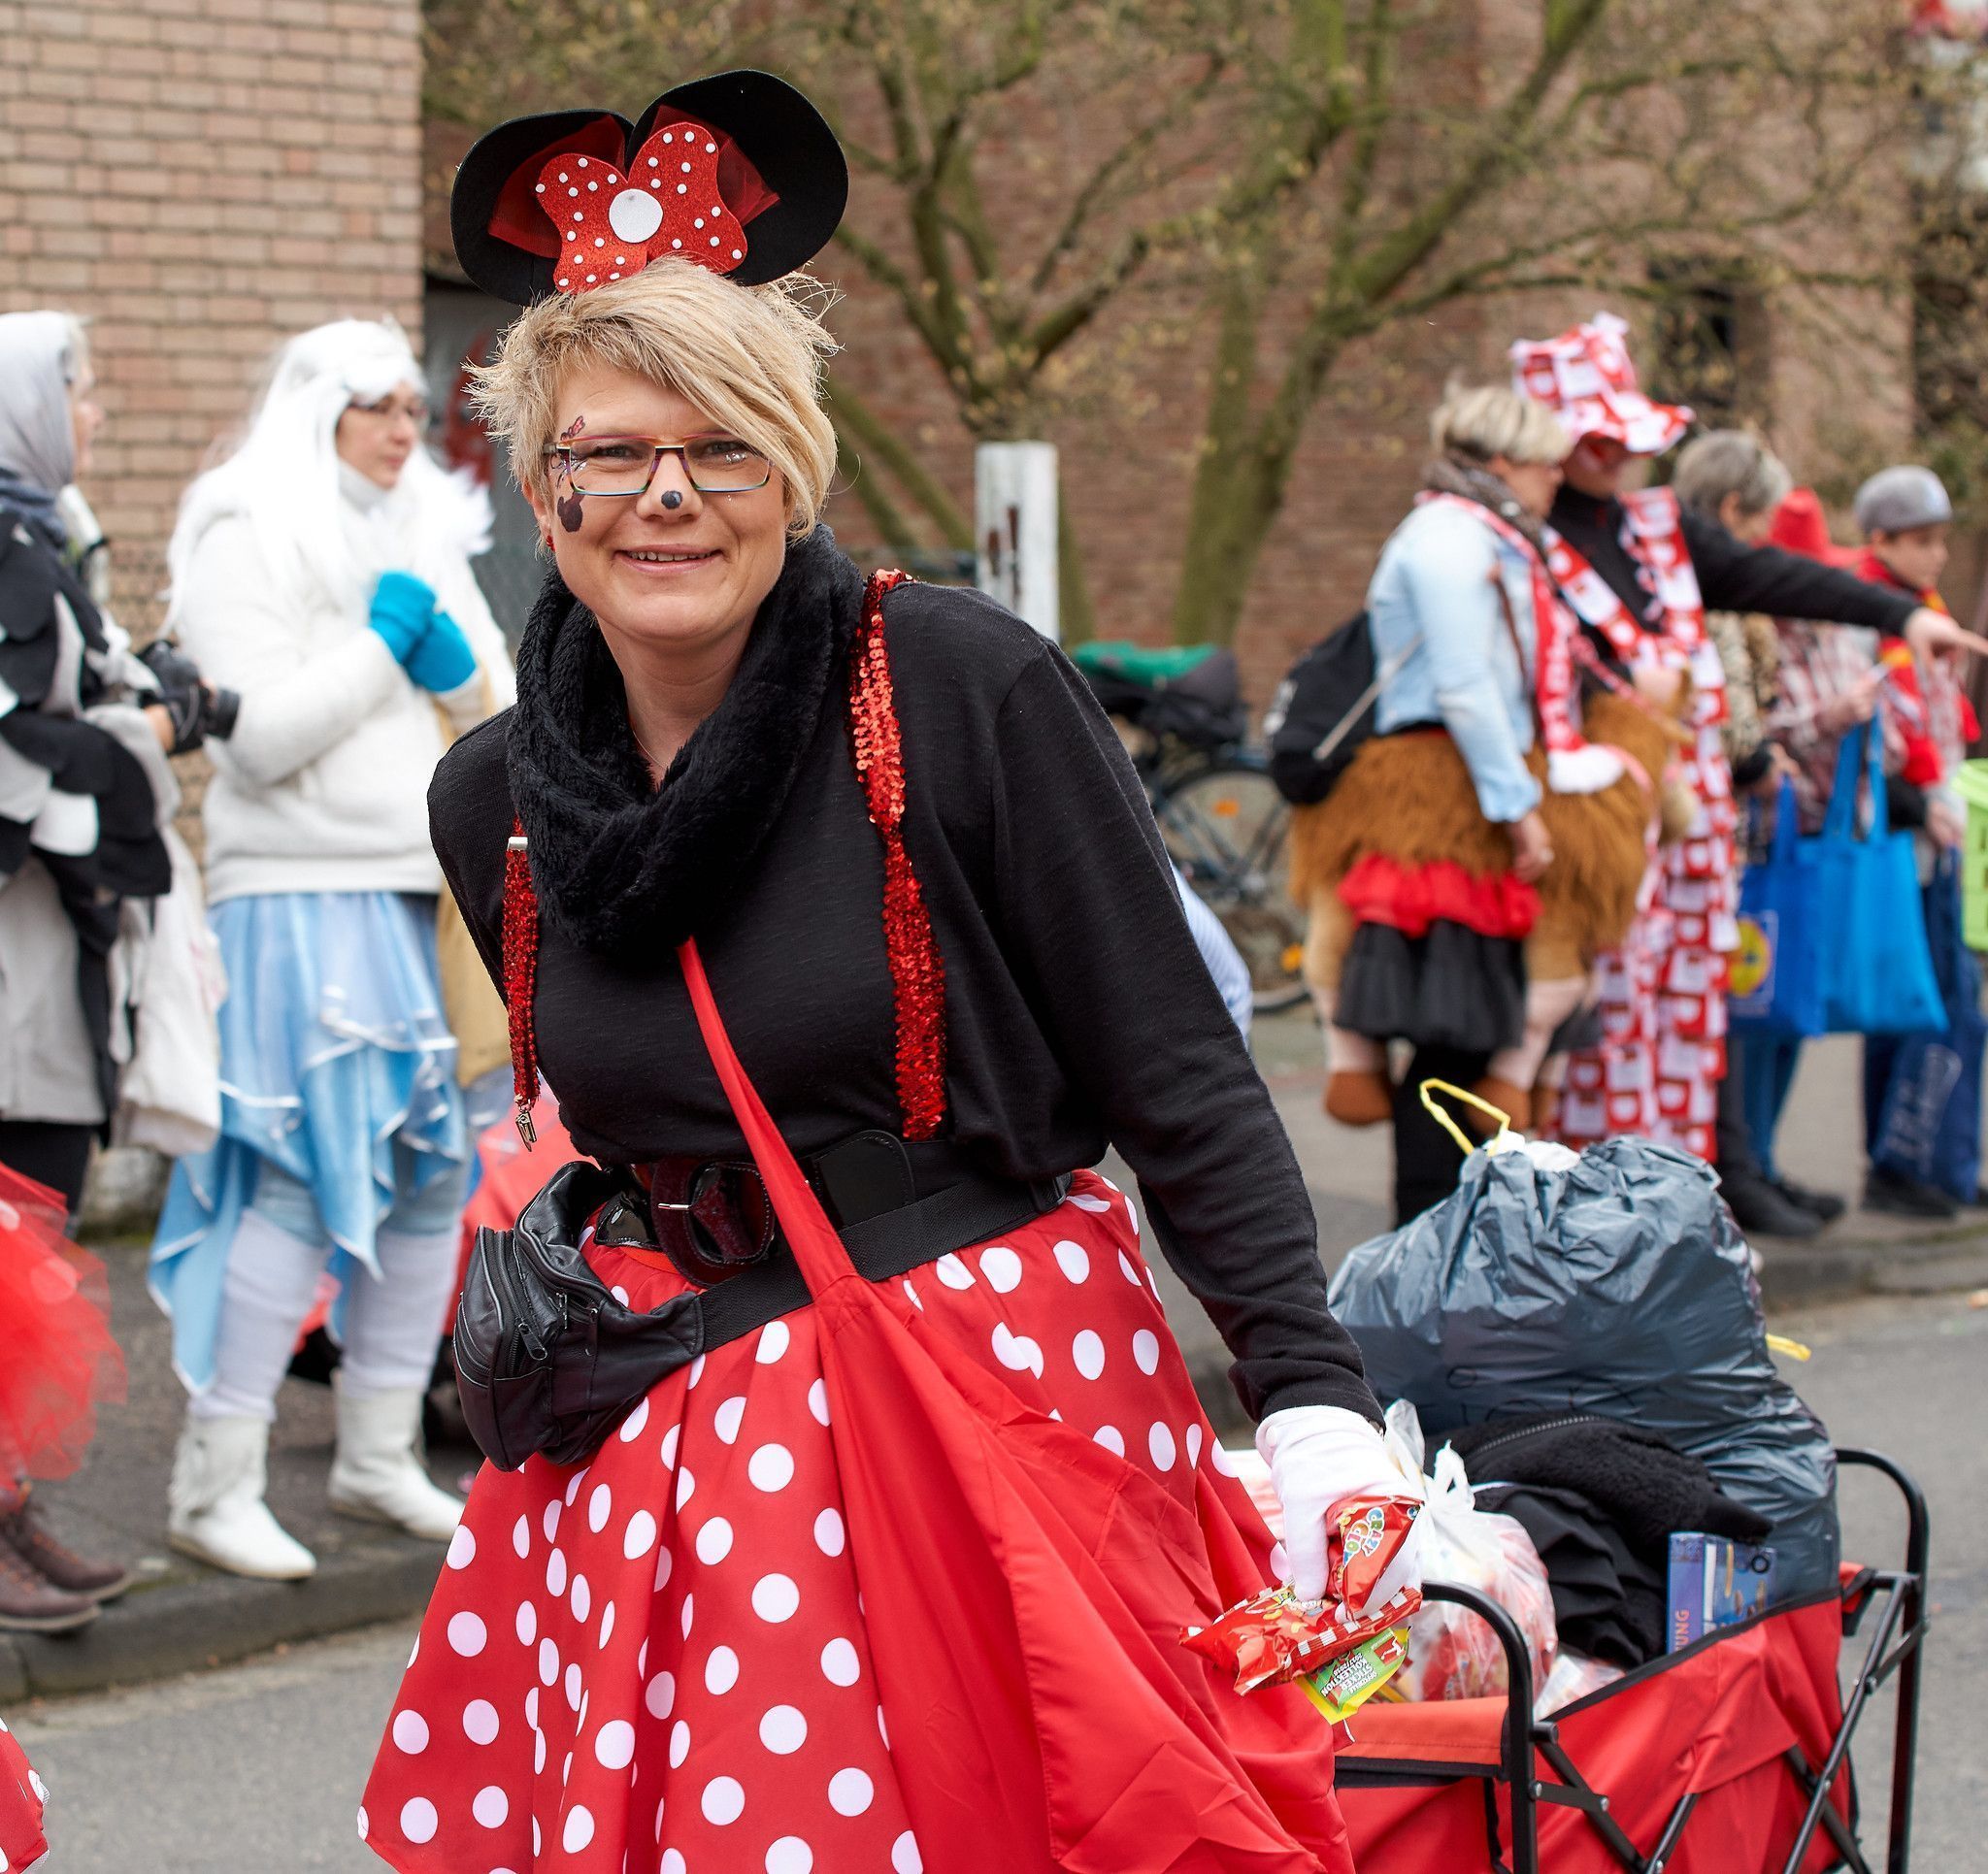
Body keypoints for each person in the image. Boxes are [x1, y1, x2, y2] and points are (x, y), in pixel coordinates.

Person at [360, 70, 1410, 1873]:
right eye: (608, 452)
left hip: (982, 1396)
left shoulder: (953, 685)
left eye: (722, 447)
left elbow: (1174, 1069)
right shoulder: (493, 800)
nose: (664, 497)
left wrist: (1306, 1400)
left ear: (797, 467)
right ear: (541, 492)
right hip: (664, 1435)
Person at [149, 318, 514, 1582]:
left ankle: (374, 1451)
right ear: (318, 411)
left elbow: (500, 708)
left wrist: (456, 674)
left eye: (415, 406)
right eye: (378, 406)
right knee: (300, 1181)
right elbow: (255, 737)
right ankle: (218, 1475)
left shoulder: (422, 525)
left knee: (428, 1185)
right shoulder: (243, 526)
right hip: (301, 894)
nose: (406, 429)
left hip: (432, 895)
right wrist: (381, 646)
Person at [1510, 312, 1988, 1162]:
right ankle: (1591, 1223)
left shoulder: (1656, 526)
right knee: (1600, 1034)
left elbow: (1776, 575)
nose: (1613, 456)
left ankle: (1674, 1210)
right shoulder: (1524, 541)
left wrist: (1901, 613)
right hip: (1599, 830)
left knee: (1689, 1026)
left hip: (1695, 835)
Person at [1290, 384, 1669, 1222]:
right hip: (1443, 808)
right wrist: (1518, 807)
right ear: (1501, 461)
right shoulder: (1449, 542)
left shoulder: (1480, 533)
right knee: (1450, 1037)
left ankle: (1453, 1253)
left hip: (1463, 795)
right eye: (1542, 463)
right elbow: (1465, 687)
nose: (1553, 480)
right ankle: (1427, 1250)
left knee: (1465, 1036)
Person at [0, 310, 206, 1630]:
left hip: (48, 953)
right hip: (12, 961)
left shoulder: (37, 531)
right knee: (13, 1239)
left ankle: (11, 1507)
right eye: (79, 390)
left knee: (33, 1250)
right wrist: (131, 738)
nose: (95, 414)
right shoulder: (8, 544)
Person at [1668, 432, 1837, 1238]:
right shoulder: (1709, 591)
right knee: (1717, 1010)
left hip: (1722, 837)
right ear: (1733, 509)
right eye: (1761, 517)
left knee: (1730, 1007)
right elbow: (1729, 721)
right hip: (1706, 838)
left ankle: (1746, 1166)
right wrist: (1760, 756)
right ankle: (1731, 1175)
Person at [1848, 467, 1981, 1217]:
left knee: (1948, 995)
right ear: (1881, 541)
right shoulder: (1871, 614)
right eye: (1920, 541)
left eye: (1939, 540)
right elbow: (1880, 736)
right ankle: (1897, 1159)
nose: (1936, 555)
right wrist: (1915, 799)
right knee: (1908, 998)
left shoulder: (1924, 608)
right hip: (1899, 829)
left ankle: (1942, 1157)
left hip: (1937, 826)